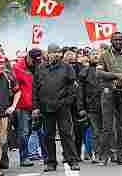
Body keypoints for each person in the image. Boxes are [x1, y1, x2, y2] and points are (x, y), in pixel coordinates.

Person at [32, 44, 80, 172]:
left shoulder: (67, 67)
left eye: (58, 52)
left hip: (62, 107)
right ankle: (50, 162)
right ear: (48, 54)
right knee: (48, 135)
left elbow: (73, 87)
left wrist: (67, 101)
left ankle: (72, 160)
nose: (56, 55)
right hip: (46, 108)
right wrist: (36, 107)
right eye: (54, 52)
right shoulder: (40, 68)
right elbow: (35, 89)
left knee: (67, 134)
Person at [96, 32, 122, 166]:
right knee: (107, 126)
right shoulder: (104, 55)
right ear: (111, 41)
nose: (118, 42)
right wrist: (116, 76)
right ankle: (104, 156)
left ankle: (121, 155)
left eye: (120, 40)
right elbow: (99, 72)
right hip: (109, 93)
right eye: (116, 40)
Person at [77, 50, 103, 164]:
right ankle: (96, 154)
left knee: (108, 131)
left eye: (97, 54)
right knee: (96, 132)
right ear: (89, 57)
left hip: (107, 105)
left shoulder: (106, 70)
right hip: (91, 106)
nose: (96, 56)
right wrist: (81, 107)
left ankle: (108, 153)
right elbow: (80, 92)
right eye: (93, 54)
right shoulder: (85, 72)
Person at [11, 55, 34, 168]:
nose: (36, 63)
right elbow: (16, 86)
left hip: (32, 104)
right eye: (35, 60)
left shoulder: (35, 67)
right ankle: (24, 157)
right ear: (29, 58)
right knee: (24, 132)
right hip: (22, 105)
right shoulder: (17, 68)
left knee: (29, 131)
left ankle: (26, 155)